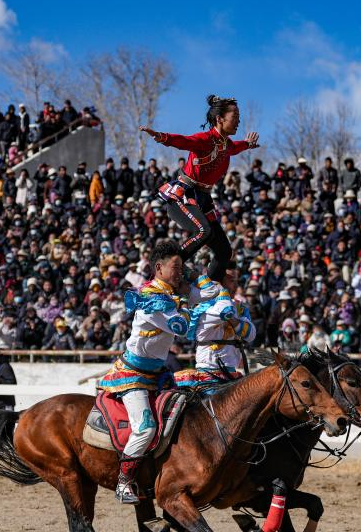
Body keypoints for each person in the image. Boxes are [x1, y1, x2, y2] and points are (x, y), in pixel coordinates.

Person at [98, 240, 190, 503]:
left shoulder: (170, 295)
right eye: (176, 267)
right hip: (133, 375)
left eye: (182, 267)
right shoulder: (148, 297)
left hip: (158, 373)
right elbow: (181, 327)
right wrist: (185, 300)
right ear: (158, 268)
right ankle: (123, 481)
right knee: (145, 428)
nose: (180, 272)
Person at [140, 95, 259, 281]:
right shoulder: (205, 139)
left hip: (203, 200)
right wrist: (161, 137)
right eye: (234, 116)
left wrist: (247, 144)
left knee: (224, 251)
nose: (238, 121)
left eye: (239, 117)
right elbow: (183, 141)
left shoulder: (226, 144)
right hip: (184, 195)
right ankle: (164, 273)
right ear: (220, 119)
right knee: (204, 232)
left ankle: (211, 289)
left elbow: (234, 148)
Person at [175, 269, 256, 391]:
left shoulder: (239, 308)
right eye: (231, 280)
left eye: (235, 281)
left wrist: (233, 320)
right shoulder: (204, 308)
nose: (235, 285)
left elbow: (251, 335)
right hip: (209, 371)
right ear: (219, 282)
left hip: (230, 371)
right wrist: (220, 289)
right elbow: (224, 311)